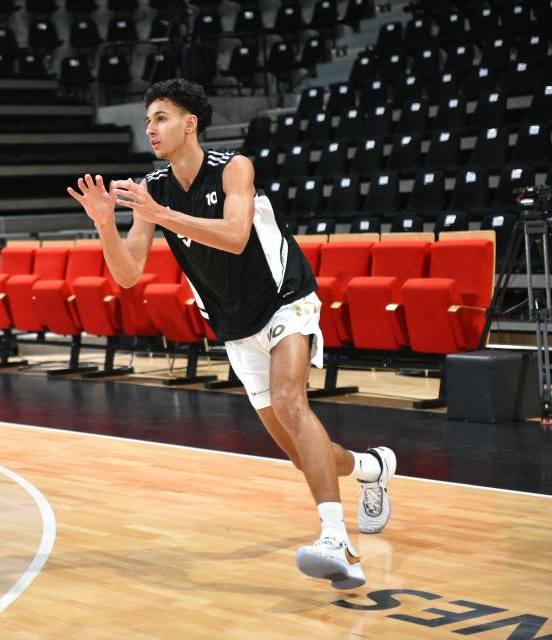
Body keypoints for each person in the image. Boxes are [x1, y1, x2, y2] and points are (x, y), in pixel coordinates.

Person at [67, 79, 396, 590]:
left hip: (286, 297)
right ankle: (370, 468)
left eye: (160, 117)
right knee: (299, 451)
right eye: (147, 119)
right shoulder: (153, 188)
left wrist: (161, 215)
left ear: (189, 123)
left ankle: (338, 542)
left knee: (291, 402)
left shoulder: (234, 167)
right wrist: (107, 225)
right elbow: (128, 273)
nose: (149, 128)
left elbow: (236, 236)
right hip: (233, 323)